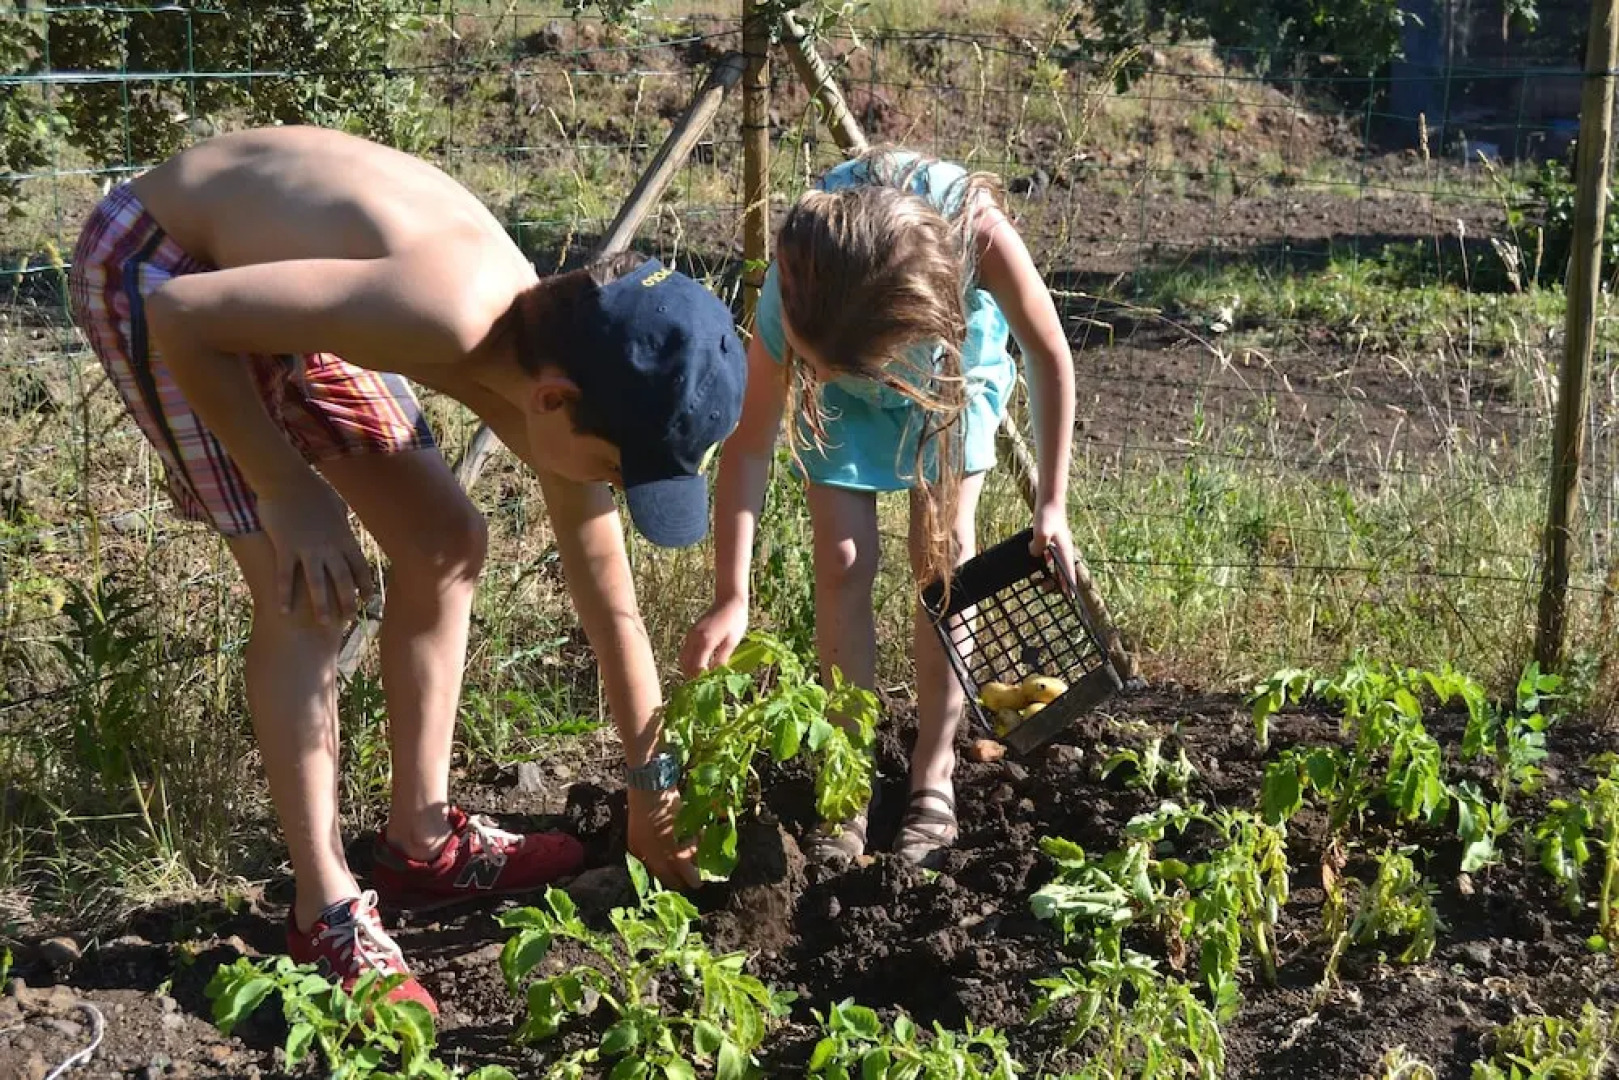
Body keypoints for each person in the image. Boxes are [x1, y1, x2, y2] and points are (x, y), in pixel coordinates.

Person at [66, 125, 744, 1015]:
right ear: (553, 401)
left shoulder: (549, 351)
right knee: (307, 587)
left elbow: (606, 589)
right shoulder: (446, 314)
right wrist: (286, 487)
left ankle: (421, 846)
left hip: (280, 284)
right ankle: (325, 909)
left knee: (443, 541)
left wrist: (652, 784)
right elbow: (187, 319)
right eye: (618, 469)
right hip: (165, 274)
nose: (612, 492)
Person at [679, 147, 1076, 870]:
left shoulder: (977, 236)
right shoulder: (798, 286)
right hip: (846, 376)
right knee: (841, 559)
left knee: (944, 562)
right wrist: (730, 594)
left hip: (940, 374)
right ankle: (846, 781)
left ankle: (933, 774)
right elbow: (748, 445)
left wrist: (1051, 503)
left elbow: (1048, 353)